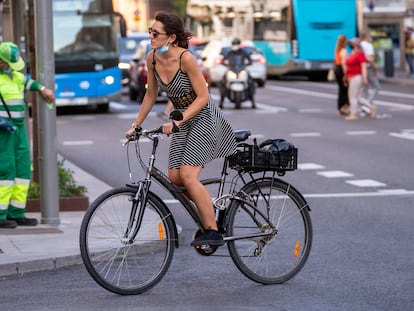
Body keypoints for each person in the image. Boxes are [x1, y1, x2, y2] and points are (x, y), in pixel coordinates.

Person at [125, 12, 237, 247]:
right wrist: (136, 125)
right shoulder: (152, 59)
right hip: (182, 122)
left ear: (171, 38)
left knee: (187, 175)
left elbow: (204, 97)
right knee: (176, 179)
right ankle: (207, 204)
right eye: (150, 32)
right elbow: (151, 94)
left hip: (204, 118)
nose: (151, 37)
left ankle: (213, 230)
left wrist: (178, 120)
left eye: (156, 33)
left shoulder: (186, 58)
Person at [0, 42, 55, 228]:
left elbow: (28, 82)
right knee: (5, 170)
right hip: (3, 132)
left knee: (23, 170)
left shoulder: (15, 76)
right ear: (1, 62)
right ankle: (1, 215)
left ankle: (17, 213)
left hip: (18, 129)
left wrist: (42, 89)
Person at [219, 37, 255, 108]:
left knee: (251, 82)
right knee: (222, 82)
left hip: (242, 70)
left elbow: (250, 60)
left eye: (237, 44)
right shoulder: (229, 53)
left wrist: (247, 64)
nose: (235, 45)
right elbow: (223, 60)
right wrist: (225, 63)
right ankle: (221, 102)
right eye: (234, 44)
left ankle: (252, 101)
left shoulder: (244, 52)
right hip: (231, 69)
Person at [344, 38, 373, 121]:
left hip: (356, 77)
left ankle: (353, 114)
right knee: (357, 97)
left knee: (352, 96)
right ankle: (371, 107)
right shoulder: (352, 53)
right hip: (350, 77)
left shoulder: (360, 54)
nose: (350, 46)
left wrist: (365, 78)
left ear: (356, 45)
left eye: (352, 44)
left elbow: (363, 67)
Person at [360, 31, 379, 118]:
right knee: (376, 87)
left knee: (364, 89)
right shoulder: (369, 46)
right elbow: (370, 59)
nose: (371, 37)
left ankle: (364, 107)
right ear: (367, 37)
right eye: (370, 36)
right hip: (368, 68)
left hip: (360, 68)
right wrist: (374, 68)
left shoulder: (360, 45)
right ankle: (367, 104)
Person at [333, 34, 349, 116]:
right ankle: (344, 106)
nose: (347, 41)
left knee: (341, 88)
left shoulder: (337, 50)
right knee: (345, 88)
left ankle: (340, 107)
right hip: (341, 70)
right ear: (344, 41)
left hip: (337, 69)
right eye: (346, 40)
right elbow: (344, 63)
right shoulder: (344, 51)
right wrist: (346, 74)